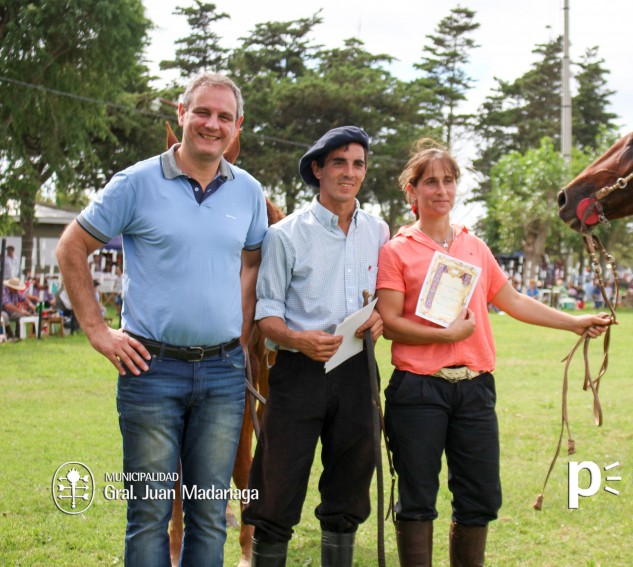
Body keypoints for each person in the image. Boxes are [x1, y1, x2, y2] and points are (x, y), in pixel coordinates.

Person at [55, 72, 268, 566]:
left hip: (221, 374)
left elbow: (253, 262)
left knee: (210, 513)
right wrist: (97, 331)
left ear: (238, 126)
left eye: (223, 117)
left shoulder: (249, 193)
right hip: (149, 370)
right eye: (202, 112)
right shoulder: (135, 183)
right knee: (150, 514)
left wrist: (237, 332)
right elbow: (72, 247)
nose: (212, 124)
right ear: (181, 113)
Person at [375, 139, 612, 567]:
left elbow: (514, 301)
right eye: (430, 181)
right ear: (412, 191)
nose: (441, 190)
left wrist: (573, 322)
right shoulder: (397, 250)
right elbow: (389, 322)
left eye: (449, 180)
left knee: (480, 497)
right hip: (418, 392)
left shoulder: (474, 247)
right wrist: (445, 337)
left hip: (475, 390)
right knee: (417, 499)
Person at [243, 126, 389, 566]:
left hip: (357, 371)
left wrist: (379, 318)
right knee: (276, 484)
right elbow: (265, 315)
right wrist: (294, 337)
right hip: (298, 373)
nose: (350, 172)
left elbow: (385, 298)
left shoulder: (379, 232)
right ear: (318, 169)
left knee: (350, 485)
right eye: (339, 163)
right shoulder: (285, 235)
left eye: (358, 163)